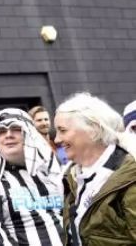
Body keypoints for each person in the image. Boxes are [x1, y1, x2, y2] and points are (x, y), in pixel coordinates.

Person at [54, 93, 136, 246]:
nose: (57, 139)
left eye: (62, 130)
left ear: (93, 129)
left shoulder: (129, 177)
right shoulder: (71, 178)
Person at [0, 109, 64, 245]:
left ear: (30, 134)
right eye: (1, 131)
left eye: (16, 129)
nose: (8, 135)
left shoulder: (51, 171)